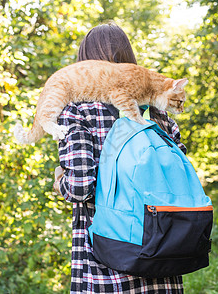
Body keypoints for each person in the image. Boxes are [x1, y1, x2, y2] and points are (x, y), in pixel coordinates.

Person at [53, 22, 187, 294]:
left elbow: (81, 187)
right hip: (161, 258)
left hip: (108, 263)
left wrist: (59, 182)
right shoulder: (158, 115)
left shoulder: (79, 111)